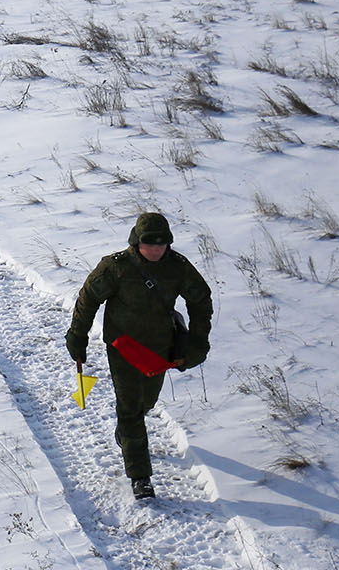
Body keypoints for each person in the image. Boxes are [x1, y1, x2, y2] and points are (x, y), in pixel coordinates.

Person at [66, 211, 213, 500]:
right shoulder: (116, 267)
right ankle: (140, 477)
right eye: (150, 243)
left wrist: (197, 341)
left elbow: (201, 299)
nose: (157, 249)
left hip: (159, 348)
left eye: (162, 244)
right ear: (136, 241)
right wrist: (78, 335)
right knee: (130, 407)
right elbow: (88, 299)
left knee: (147, 402)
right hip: (123, 346)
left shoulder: (177, 266)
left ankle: (127, 432)